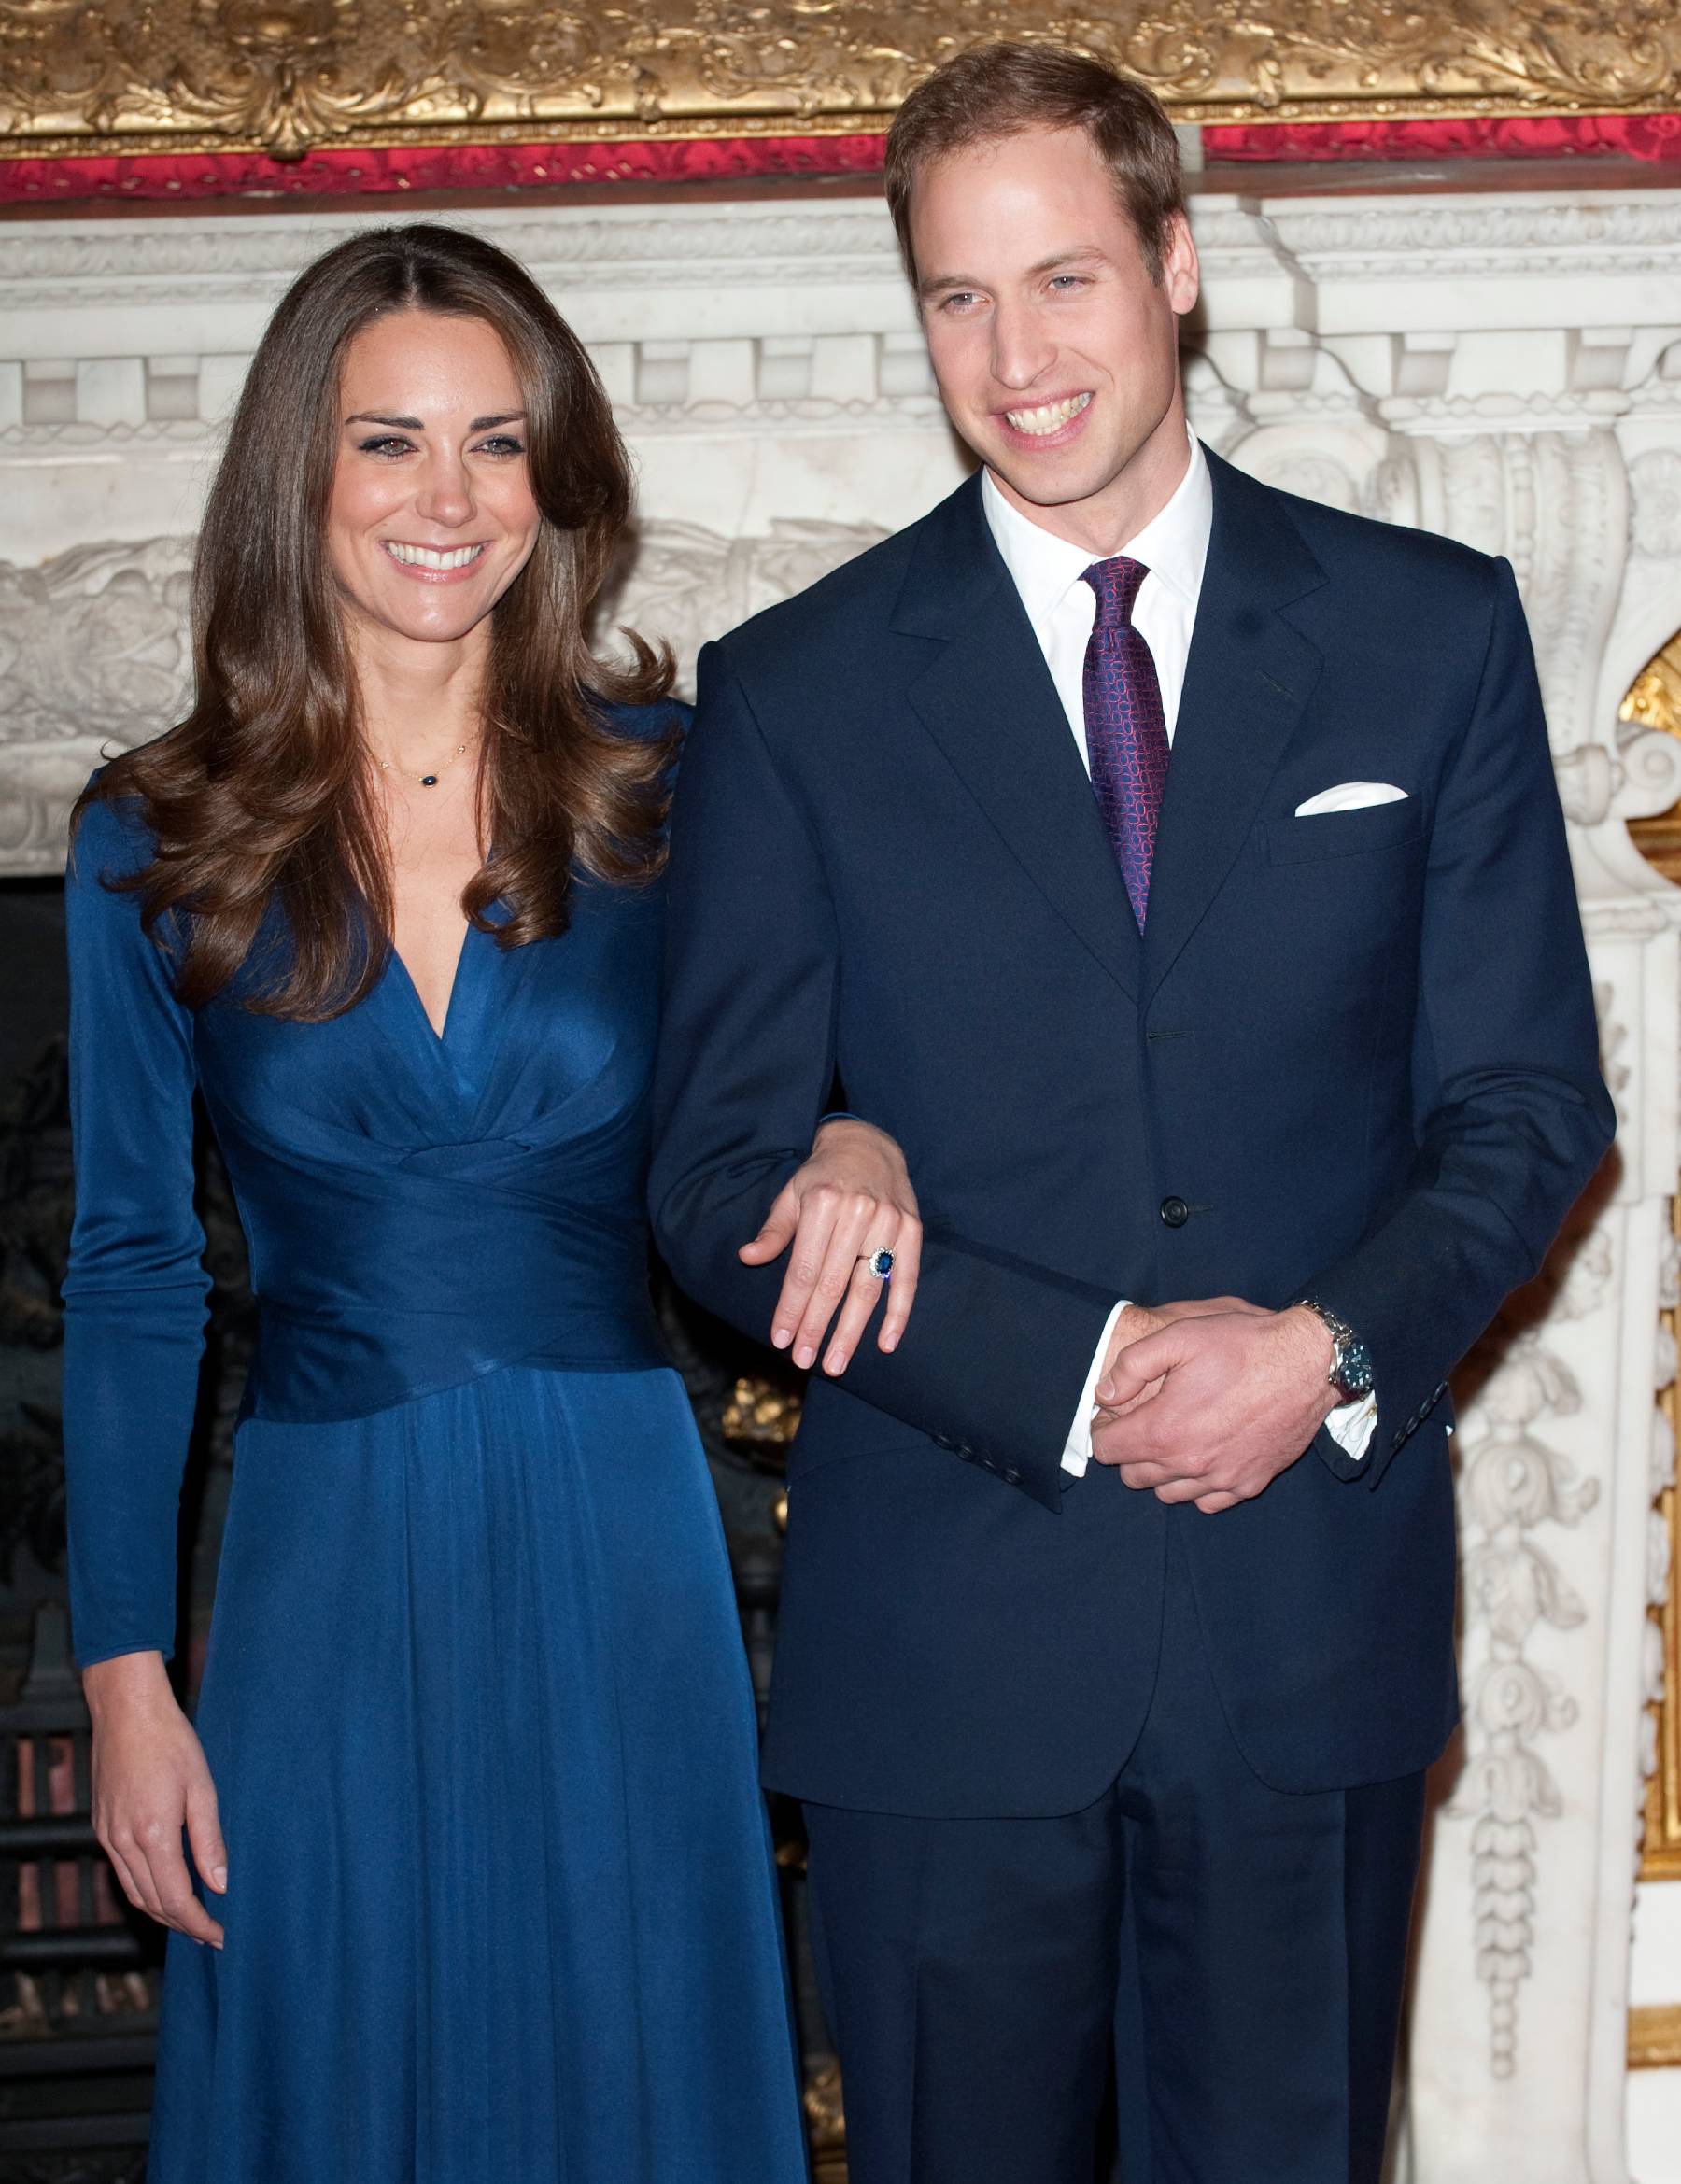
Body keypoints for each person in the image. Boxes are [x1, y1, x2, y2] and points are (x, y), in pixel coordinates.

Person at [649, 42, 1616, 2184]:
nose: (1017, 356)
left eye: (1065, 279)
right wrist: (1069, 1370)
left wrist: (1320, 1351)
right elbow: (715, 1172)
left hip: (1306, 1634)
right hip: (946, 1662)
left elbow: (1531, 1106)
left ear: (1176, 266)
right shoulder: (795, 693)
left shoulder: (1424, 633)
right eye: (957, 298)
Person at [62, 222, 921, 2183]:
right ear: (301, 473)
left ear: (558, 482)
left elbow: (853, 1071)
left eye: (497, 443)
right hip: (317, 1560)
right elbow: (128, 1271)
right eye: (387, 444)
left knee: (628, 2070)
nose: (446, 501)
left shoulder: (677, 788)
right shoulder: (155, 834)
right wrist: (125, 1680)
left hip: (620, 1531)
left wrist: (865, 1139)